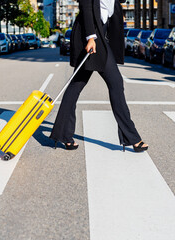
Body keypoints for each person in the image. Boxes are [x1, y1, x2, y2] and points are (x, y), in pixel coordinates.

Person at [50, 0, 148, 152]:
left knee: (78, 85)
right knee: (112, 83)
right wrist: (90, 38)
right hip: (90, 36)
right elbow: (86, 7)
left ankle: (64, 135)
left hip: (100, 36)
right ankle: (132, 138)